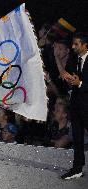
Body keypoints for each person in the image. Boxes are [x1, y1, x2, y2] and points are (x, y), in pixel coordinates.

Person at [61, 32, 88, 179]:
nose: (73, 47)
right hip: (76, 106)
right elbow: (70, 78)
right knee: (77, 139)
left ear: (85, 45)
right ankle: (77, 168)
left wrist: (81, 84)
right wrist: (68, 79)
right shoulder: (73, 59)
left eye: (76, 44)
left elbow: (82, 83)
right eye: (73, 43)